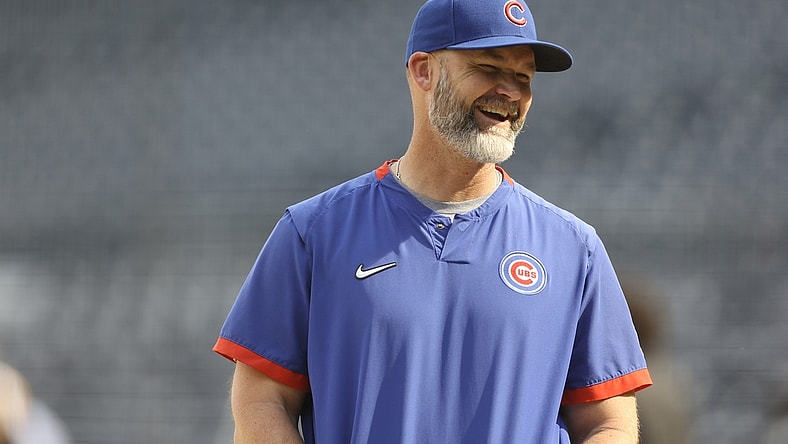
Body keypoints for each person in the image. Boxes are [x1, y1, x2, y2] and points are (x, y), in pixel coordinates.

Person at [213, 0, 652, 442]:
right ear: (424, 71)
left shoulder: (574, 248)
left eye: (524, 76)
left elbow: (608, 422)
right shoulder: (313, 231)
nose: (510, 91)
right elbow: (261, 403)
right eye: (488, 67)